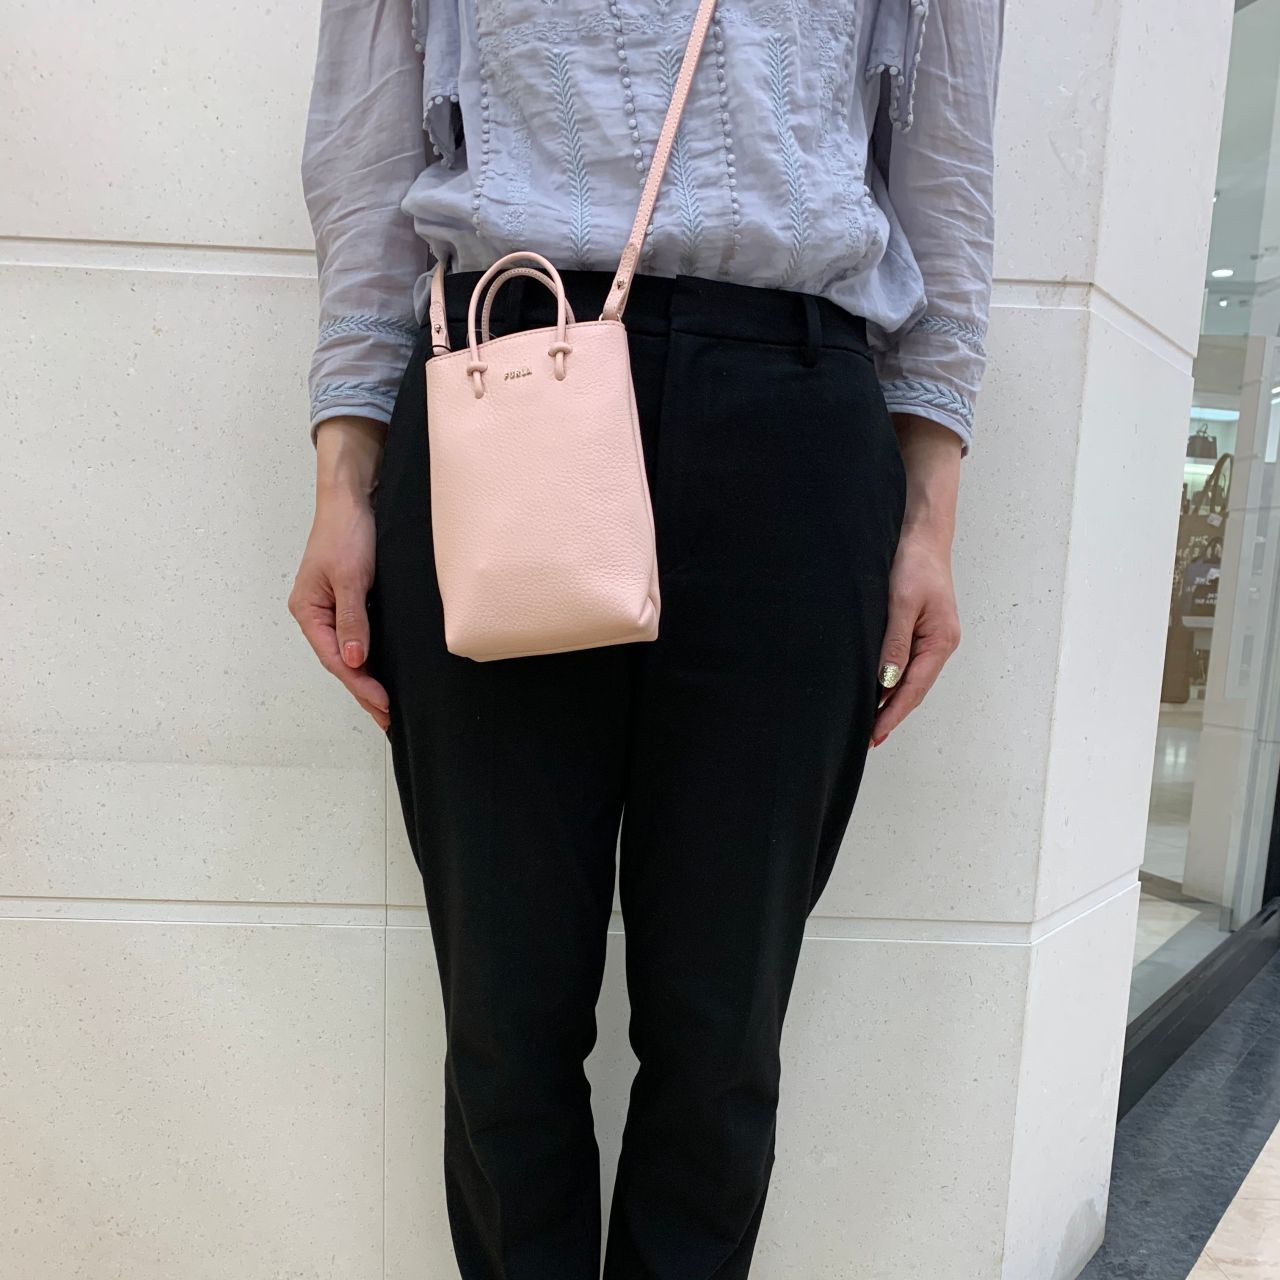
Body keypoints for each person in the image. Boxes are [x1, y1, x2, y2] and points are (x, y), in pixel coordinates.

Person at [290, 1, 1004, 1275]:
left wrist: (927, 516)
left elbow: (945, 170)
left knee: (722, 1032)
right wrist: (344, 475)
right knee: (502, 1019)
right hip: (505, 391)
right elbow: (365, 157)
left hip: (792, 416)